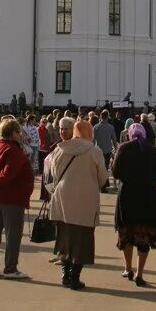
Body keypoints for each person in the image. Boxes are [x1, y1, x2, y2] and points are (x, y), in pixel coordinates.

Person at [46, 119, 108, 290]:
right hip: (85, 200)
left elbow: (53, 175)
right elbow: (103, 178)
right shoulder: (95, 151)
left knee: (65, 237)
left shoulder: (60, 150)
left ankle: (65, 274)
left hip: (62, 198)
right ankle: (75, 277)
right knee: (82, 239)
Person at [0, 117, 35, 280]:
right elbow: (9, 171)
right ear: (14, 133)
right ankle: (10, 268)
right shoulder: (13, 150)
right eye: (19, 132)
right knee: (13, 234)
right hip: (12, 197)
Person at [112, 123, 156, 286]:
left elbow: (115, 172)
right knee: (143, 235)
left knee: (127, 231)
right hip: (148, 196)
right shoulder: (151, 150)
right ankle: (140, 273)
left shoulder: (123, 148)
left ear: (130, 134)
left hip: (127, 194)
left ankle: (128, 268)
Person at [93, 110, 118, 190]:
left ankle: (99, 184)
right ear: (107, 117)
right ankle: (103, 185)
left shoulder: (96, 127)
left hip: (98, 150)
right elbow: (114, 140)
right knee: (105, 168)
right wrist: (116, 149)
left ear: (100, 117)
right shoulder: (111, 127)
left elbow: (93, 140)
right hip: (107, 150)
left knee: (98, 168)